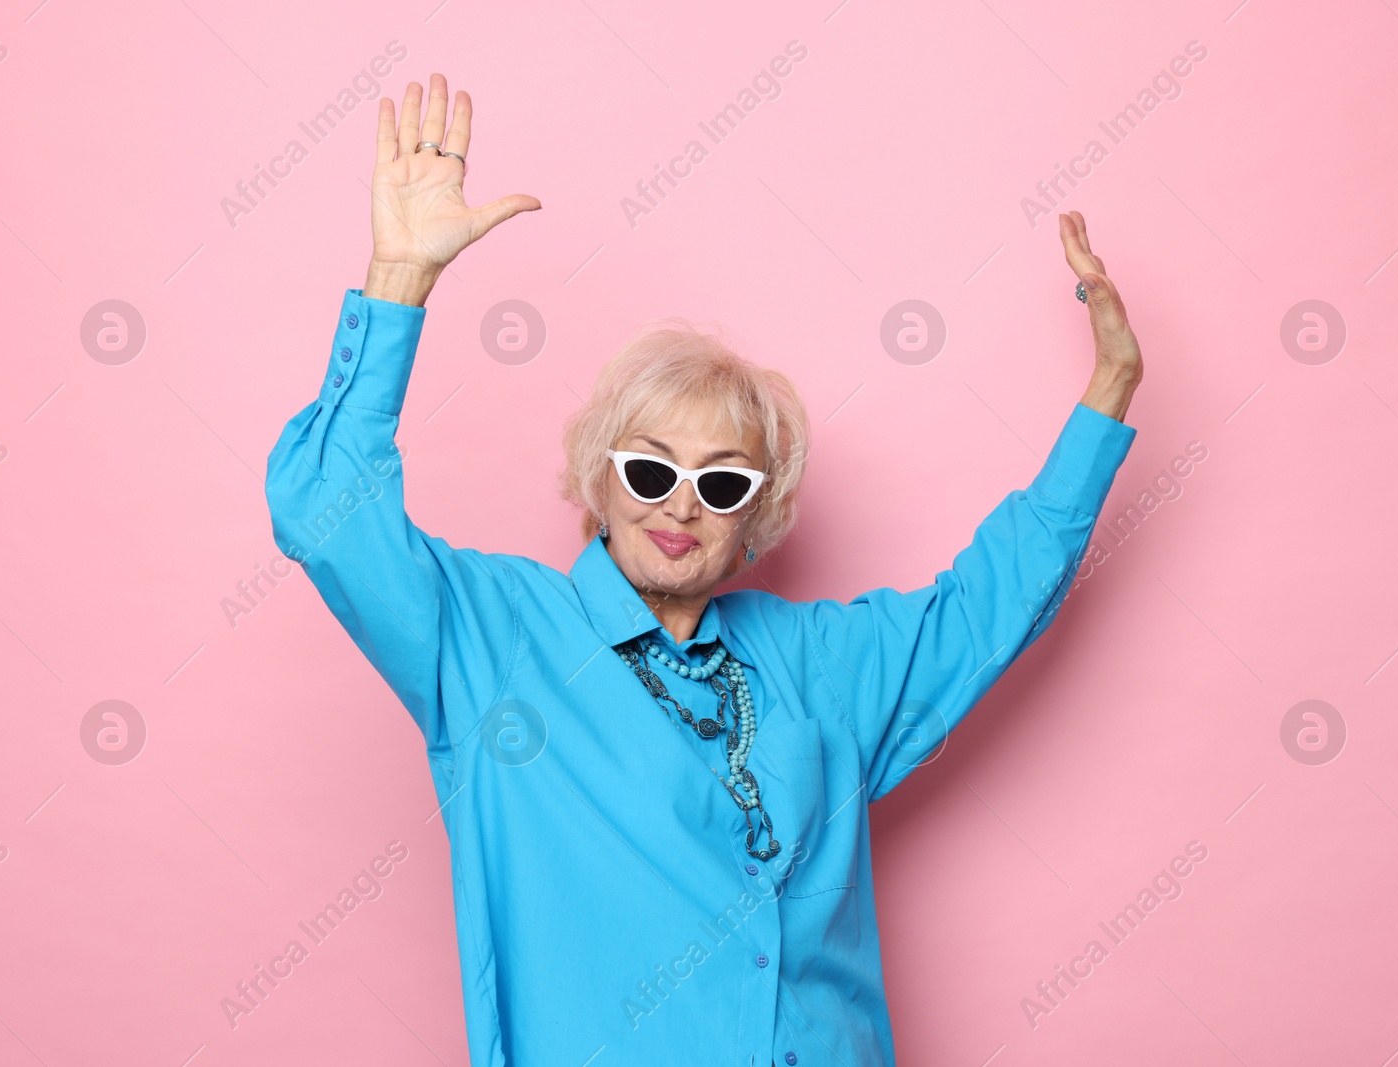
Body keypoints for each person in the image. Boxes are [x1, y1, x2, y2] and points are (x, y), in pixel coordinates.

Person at [265, 73, 1143, 1067]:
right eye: (650, 469)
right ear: (600, 482)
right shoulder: (490, 640)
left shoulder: (819, 661)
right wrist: (397, 285)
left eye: (720, 483)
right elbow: (323, 512)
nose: (681, 503)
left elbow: (987, 605)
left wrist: (1109, 390)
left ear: (756, 517)